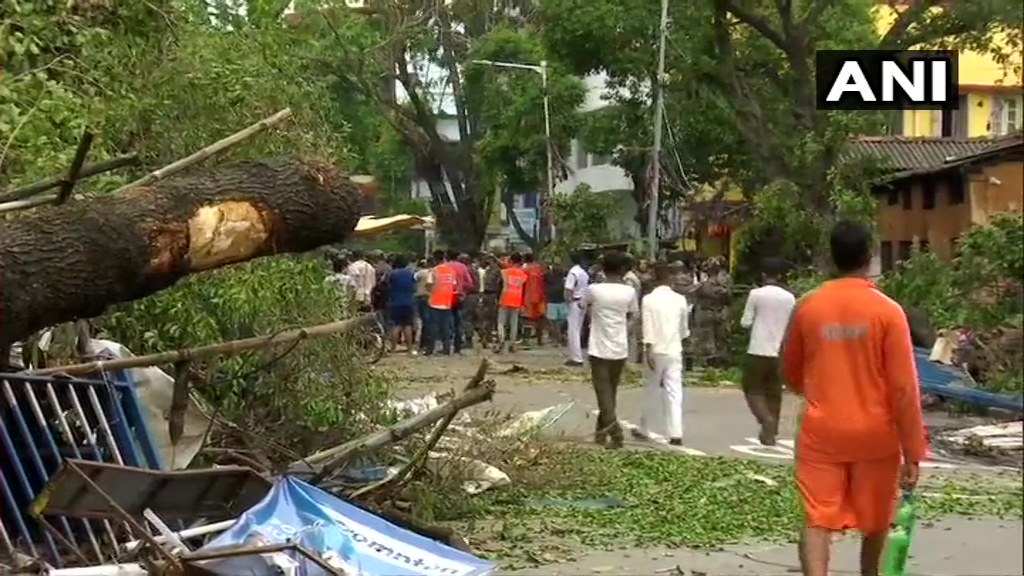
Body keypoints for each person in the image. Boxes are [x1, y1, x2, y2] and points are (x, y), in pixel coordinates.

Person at [781, 219, 926, 576]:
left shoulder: (808, 307)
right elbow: (904, 387)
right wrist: (913, 451)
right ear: (870, 255)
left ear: (831, 256)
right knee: (876, 522)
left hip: (822, 431)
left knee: (817, 518)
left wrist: (817, 389)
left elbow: (790, 370)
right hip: (876, 435)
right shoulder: (888, 312)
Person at [582, 251, 638, 448]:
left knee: (603, 392)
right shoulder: (629, 292)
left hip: (598, 346)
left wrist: (595, 316)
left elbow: (584, 307)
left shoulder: (594, 290)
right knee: (610, 391)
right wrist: (623, 330)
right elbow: (633, 316)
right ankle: (600, 432)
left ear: (603, 269)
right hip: (619, 347)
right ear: (623, 270)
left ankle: (615, 432)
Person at [740, 256, 797, 446]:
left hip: (758, 348)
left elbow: (745, 322)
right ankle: (770, 433)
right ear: (780, 275)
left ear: (763, 274)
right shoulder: (790, 298)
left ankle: (766, 420)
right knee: (774, 391)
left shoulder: (756, 294)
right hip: (780, 351)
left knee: (753, 388)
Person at [637, 262, 690, 445]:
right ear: (671, 278)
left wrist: (648, 347)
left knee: (651, 388)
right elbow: (684, 330)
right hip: (674, 349)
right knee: (675, 391)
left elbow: (647, 327)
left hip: (656, 349)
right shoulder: (680, 300)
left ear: (654, 277)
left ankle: (645, 428)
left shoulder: (648, 300)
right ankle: (676, 432)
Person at [423, 250, 457, 356]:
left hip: (434, 302)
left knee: (433, 327)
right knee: (446, 328)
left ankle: (430, 350)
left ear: (435, 259)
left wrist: (430, 290)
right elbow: (454, 285)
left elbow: (428, 285)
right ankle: (447, 349)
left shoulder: (433, 271)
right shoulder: (451, 271)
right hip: (447, 302)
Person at [495, 253, 528, 353]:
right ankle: (512, 344)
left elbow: (499, 286)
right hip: (517, 298)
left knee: (501, 322)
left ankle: (501, 339)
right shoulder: (523, 274)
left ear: (511, 261)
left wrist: (497, 298)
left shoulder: (504, 272)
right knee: (514, 323)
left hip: (505, 297)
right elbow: (524, 289)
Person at [564, 251, 590, 367]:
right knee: (578, 329)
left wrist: (567, 300)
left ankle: (576, 357)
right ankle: (576, 355)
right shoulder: (584, 273)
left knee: (573, 330)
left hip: (574, 302)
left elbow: (568, 289)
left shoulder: (573, 272)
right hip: (583, 302)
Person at [448, 251, 476, 353]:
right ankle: (457, 346)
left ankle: (447, 345)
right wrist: (462, 290)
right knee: (459, 321)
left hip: (447, 296)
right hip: (459, 297)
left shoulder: (445, 267)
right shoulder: (463, 268)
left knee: (447, 320)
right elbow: (470, 283)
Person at [521, 253, 548, 346]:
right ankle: (540, 340)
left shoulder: (524, 270)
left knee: (527, 319)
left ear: (525, 259)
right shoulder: (539, 269)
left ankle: (526, 340)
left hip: (528, 297)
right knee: (540, 318)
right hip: (540, 297)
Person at [544, 262, 568, 346]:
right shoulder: (562, 276)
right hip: (559, 300)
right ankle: (559, 337)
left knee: (554, 322)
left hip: (554, 300)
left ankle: (558, 338)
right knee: (558, 321)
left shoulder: (549, 276)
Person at [414, 258, 432, 353]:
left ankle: (421, 343)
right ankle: (427, 342)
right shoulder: (432, 272)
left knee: (421, 320)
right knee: (428, 320)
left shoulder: (419, 273)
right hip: (430, 297)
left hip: (420, 297)